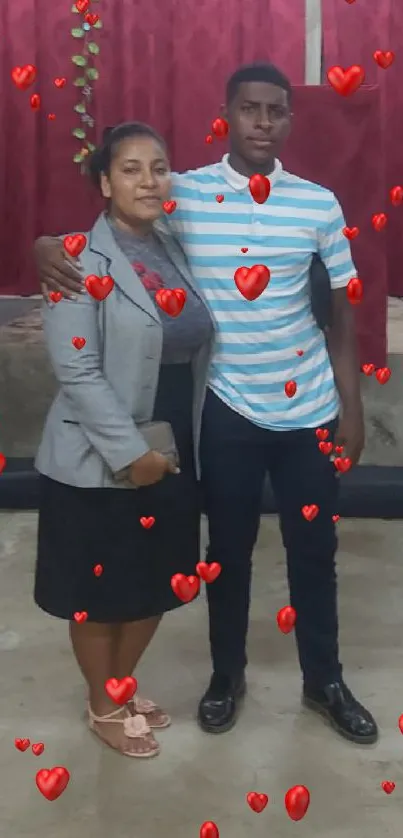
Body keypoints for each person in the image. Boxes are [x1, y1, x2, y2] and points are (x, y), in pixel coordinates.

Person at [35, 63, 378, 745]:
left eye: (274, 111)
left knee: (314, 550)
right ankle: (227, 676)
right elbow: (108, 223)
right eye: (248, 109)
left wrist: (351, 403)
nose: (261, 122)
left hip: (307, 408)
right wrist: (43, 245)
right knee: (226, 551)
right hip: (224, 411)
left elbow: (341, 311)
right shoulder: (183, 192)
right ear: (225, 116)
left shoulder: (317, 204)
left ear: (288, 120)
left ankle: (325, 680)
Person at [33, 122, 216, 758]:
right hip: (100, 447)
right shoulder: (77, 258)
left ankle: (120, 683)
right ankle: (103, 703)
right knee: (100, 591)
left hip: (174, 437)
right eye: (131, 169)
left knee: (159, 578)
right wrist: (130, 453)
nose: (148, 180)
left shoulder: (177, 242)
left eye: (159, 168)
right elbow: (77, 371)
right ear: (105, 183)